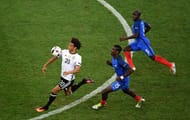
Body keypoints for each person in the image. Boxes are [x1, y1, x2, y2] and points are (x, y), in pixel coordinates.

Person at [36, 38, 94, 112]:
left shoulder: (78, 57)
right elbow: (55, 57)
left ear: (75, 48)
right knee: (68, 93)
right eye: (69, 44)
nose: (68, 46)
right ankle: (83, 81)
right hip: (63, 77)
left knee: (54, 91)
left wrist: (69, 72)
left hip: (68, 79)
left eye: (70, 45)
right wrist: (45, 65)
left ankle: (46, 107)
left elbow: (77, 69)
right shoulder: (64, 52)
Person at [120, 10, 176, 74]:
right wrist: (143, 33)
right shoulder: (141, 22)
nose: (133, 16)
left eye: (135, 15)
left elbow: (136, 35)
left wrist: (125, 38)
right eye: (133, 14)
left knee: (153, 57)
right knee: (126, 49)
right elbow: (149, 26)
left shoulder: (137, 23)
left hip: (143, 43)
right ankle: (132, 67)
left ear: (138, 16)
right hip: (138, 42)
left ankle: (170, 64)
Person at [92, 45, 145, 110]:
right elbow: (117, 66)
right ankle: (140, 99)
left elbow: (131, 69)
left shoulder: (120, 61)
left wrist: (122, 77)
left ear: (117, 52)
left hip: (122, 81)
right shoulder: (114, 57)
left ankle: (102, 104)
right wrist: (111, 64)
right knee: (126, 90)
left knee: (104, 91)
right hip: (124, 79)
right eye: (112, 49)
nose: (111, 50)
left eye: (113, 49)